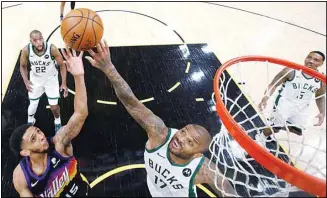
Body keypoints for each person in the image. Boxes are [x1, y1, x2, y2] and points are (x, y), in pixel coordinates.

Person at [85, 41, 237, 197]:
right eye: (183, 131)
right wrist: (108, 68)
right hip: (153, 189)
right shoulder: (160, 135)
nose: (181, 138)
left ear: (197, 155)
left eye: (191, 142)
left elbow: (227, 189)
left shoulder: (204, 170)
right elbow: (131, 103)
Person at [11, 47, 89, 197]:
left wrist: (79, 76)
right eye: (33, 139)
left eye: (38, 131)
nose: (41, 136)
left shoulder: (59, 142)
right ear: (25, 152)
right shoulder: (21, 176)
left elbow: (80, 114)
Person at [257, 51, 326, 146]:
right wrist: (265, 98)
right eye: (309, 57)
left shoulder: (321, 79)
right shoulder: (290, 70)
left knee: (297, 131)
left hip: (302, 107)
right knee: (275, 126)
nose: (311, 61)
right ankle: (260, 137)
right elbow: (273, 84)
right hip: (284, 103)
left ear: (321, 64)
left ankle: (274, 125)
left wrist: (322, 112)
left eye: (316, 60)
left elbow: (319, 96)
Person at [20, 30, 68, 133]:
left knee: (54, 107)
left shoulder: (52, 49)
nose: (39, 43)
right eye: (35, 40)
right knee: (32, 106)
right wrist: (25, 81)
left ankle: (57, 121)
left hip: (51, 80)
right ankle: (30, 120)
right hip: (36, 80)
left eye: (40, 39)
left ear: (43, 37)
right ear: (31, 41)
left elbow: (62, 65)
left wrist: (63, 83)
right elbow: (22, 66)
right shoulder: (26, 50)